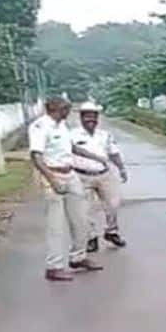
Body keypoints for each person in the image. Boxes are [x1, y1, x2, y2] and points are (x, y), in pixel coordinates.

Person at [29, 98, 105, 281]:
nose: (68, 112)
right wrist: (51, 180)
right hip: (52, 174)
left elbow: (71, 148)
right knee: (55, 225)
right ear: (55, 109)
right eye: (66, 108)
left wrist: (96, 157)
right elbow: (36, 157)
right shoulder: (40, 127)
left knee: (81, 219)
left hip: (70, 174)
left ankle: (78, 257)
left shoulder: (62, 126)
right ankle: (54, 267)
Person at [71, 102, 128, 253]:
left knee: (113, 205)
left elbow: (113, 153)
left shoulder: (105, 135)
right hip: (81, 175)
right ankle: (91, 238)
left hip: (104, 174)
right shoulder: (72, 135)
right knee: (85, 210)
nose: (91, 119)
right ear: (81, 118)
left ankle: (111, 232)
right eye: (87, 116)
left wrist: (121, 168)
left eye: (94, 116)